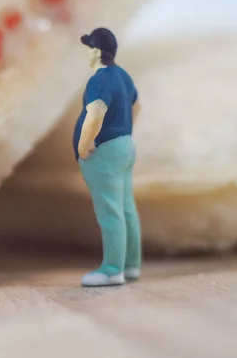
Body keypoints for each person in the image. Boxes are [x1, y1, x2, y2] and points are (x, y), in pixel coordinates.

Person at [73, 27, 142, 287]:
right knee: (126, 208)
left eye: (89, 48)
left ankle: (113, 269)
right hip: (125, 145)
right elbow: (137, 105)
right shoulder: (123, 75)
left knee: (109, 211)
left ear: (95, 51)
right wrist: (126, 130)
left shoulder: (99, 79)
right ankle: (131, 265)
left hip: (104, 151)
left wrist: (84, 144)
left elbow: (96, 113)